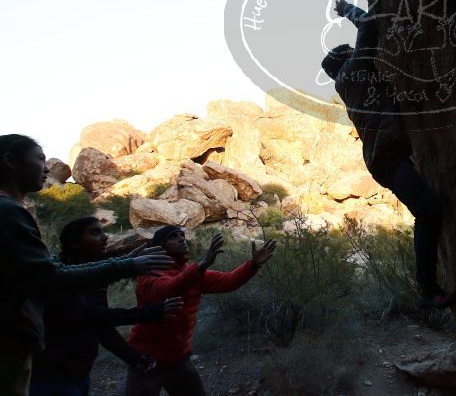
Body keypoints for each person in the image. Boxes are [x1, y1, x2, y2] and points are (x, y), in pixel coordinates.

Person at [0, 134, 175, 396]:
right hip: (32, 362)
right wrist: (129, 268)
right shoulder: (8, 211)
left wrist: (126, 262)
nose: (47, 169)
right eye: (39, 159)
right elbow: (52, 281)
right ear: (11, 161)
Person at [321, 0, 456, 309]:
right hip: (387, 157)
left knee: (426, 209)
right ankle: (426, 290)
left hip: (385, 157)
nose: (357, 53)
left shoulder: (350, 81)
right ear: (346, 59)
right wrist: (345, 11)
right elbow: (369, 25)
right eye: (352, 52)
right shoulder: (352, 73)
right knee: (428, 209)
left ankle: (427, 287)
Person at [30, 216, 185, 396]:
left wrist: (133, 357)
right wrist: (151, 312)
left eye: (103, 231)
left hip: (77, 373)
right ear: (74, 243)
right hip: (51, 377)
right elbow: (91, 315)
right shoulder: (64, 277)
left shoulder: (94, 278)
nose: (105, 237)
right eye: (95, 233)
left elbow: (100, 328)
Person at [124, 226, 277, 396]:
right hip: (146, 360)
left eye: (182, 235)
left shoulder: (193, 272)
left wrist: (253, 264)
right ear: (160, 246)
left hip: (178, 359)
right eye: (173, 237)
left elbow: (229, 281)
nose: (182, 239)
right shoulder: (148, 274)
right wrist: (202, 265)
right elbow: (169, 289)